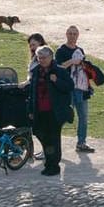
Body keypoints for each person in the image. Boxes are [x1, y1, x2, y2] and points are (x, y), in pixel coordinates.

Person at [27, 46, 75, 176]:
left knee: (53, 139)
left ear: (50, 57)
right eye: (39, 58)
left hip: (54, 112)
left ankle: (53, 165)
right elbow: (32, 91)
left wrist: (57, 81)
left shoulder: (59, 71)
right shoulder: (36, 71)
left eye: (43, 57)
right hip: (40, 110)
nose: (41, 60)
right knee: (40, 134)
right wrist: (31, 110)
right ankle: (49, 162)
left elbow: (70, 86)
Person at [56, 25, 95, 153]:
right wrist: (72, 61)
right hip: (67, 88)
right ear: (66, 34)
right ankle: (53, 143)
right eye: (70, 33)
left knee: (83, 117)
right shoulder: (61, 50)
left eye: (75, 34)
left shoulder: (80, 50)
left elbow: (83, 69)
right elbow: (59, 67)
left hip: (81, 89)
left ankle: (81, 142)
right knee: (63, 116)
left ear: (78, 36)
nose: (72, 36)